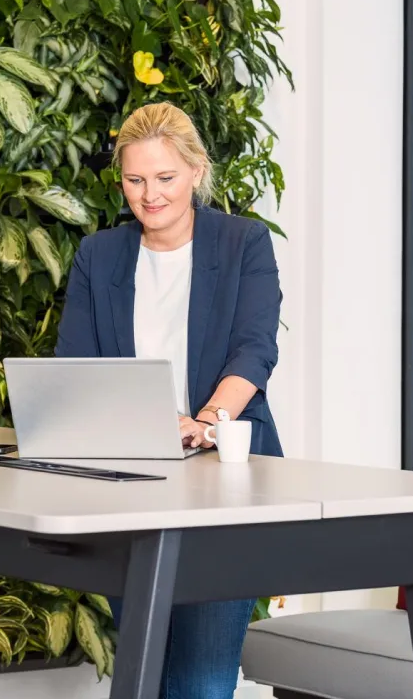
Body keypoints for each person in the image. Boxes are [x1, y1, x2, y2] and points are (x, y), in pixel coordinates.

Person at [54, 102, 283, 699]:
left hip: (225, 485)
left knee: (200, 685)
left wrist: (203, 424)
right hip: (130, 486)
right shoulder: (98, 255)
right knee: (143, 675)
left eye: (165, 178)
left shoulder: (243, 244)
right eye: (135, 180)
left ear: (196, 171)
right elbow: (74, 367)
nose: (149, 195)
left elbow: (254, 352)